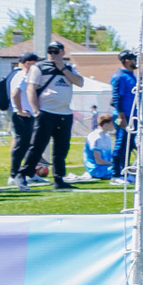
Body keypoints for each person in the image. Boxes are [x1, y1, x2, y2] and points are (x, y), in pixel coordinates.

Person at [20, 42, 84, 189]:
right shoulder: (39, 67)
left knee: (61, 149)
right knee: (37, 146)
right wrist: (36, 110)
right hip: (46, 112)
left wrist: (62, 68)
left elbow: (79, 82)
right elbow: (31, 88)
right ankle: (24, 173)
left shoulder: (70, 68)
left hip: (65, 113)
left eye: (55, 51)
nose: (52, 54)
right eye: (50, 51)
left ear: (62, 52)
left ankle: (59, 178)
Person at [7, 51, 40, 187]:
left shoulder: (26, 76)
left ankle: (27, 173)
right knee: (21, 145)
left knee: (27, 145)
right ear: (27, 63)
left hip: (27, 114)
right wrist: (20, 110)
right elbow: (15, 94)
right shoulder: (22, 76)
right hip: (22, 115)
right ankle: (13, 174)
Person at [111, 51, 138, 177]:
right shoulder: (120, 76)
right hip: (122, 116)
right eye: (133, 59)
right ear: (127, 61)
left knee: (129, 144)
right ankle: (116, 174)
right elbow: (116, 97)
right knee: (121, 143)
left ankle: (125, 171)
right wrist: (121, 116)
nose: (135, 61)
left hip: (131, 116)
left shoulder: (131, 75)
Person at [84, 113, 119, 179]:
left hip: (106, 166)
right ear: (106, 125)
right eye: (113, 123)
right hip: (97, 169)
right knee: (121, 172)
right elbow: (99, 161)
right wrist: (114, 164)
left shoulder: (107, 137)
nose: (115, 125)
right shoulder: (95, 137)